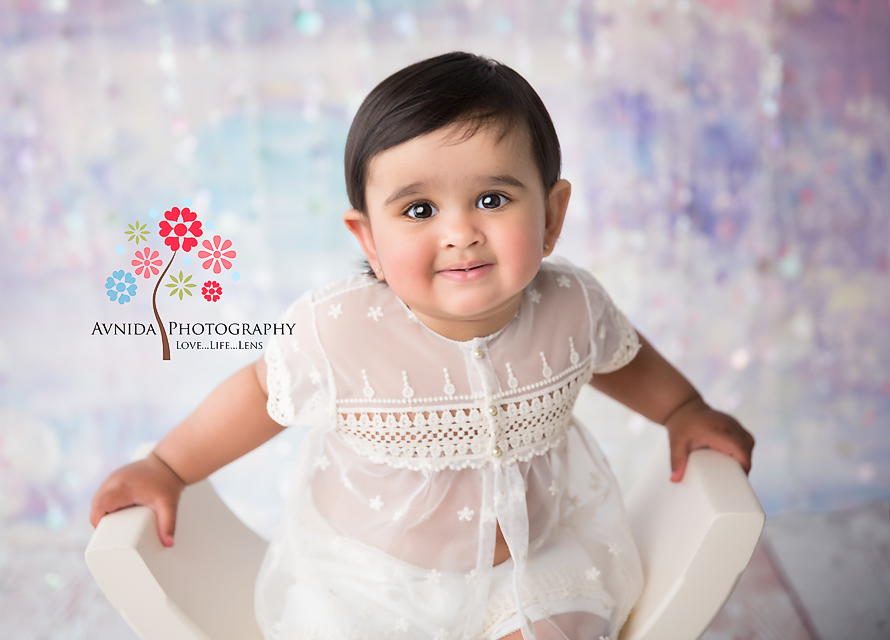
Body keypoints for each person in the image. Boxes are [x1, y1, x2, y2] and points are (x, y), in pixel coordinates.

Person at [90, 51, 754, 640]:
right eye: (418, 211)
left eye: (492, 199)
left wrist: (683, 409)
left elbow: (622, 358)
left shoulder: (572, 306)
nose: (460, 231)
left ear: (552, 216)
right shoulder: (340, 327)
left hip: (530, 563)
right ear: (369, 239)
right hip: (374, 583)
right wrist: (170, 468)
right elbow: (262, 391)